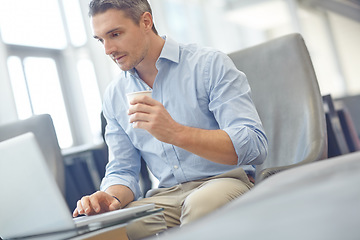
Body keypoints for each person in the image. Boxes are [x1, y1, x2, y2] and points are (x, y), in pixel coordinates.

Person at [73, 0, 268, 239]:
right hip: (165, 196)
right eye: (101, 39)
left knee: (200, 207)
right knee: (103, 232)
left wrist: (176, 133)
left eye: (115, 34)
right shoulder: (115, 95)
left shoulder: (208, 64)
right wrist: (111, 196)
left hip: (224, 181)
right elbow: (123, 170)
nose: (108, 49)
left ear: (146, 22)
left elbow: (254, 145)